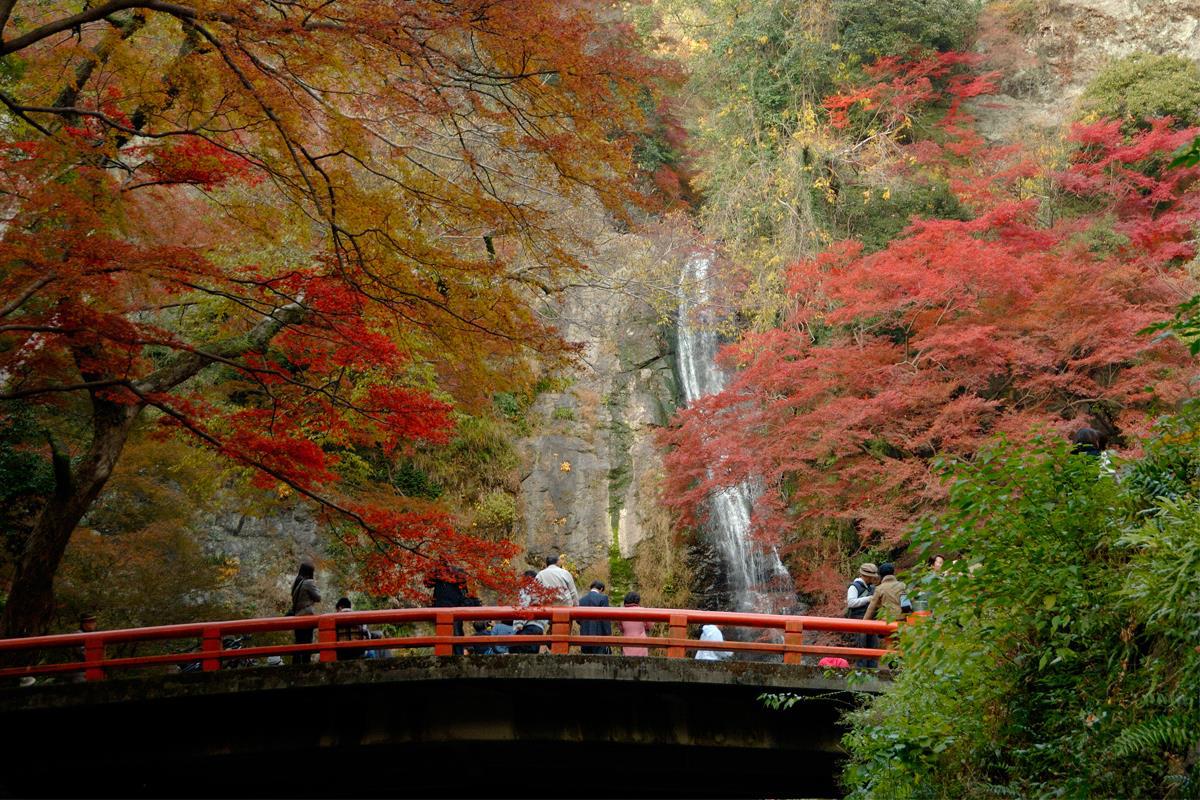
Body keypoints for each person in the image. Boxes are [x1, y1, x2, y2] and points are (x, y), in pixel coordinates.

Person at [425, 562, 470, 655]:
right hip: (445, 605)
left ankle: (457, 655)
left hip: (453, 605)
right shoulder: (437, 572)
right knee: (446, 633)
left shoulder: (457, 571)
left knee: (456, 631)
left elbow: (464, 584)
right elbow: (427, 583)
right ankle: (448, 655)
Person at [847, 563, 880, 666]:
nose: (873, 579)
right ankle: (861, 674)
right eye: (871, 577)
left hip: (871, 621)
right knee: (861, 648)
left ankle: (873, 672)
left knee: (873, 648)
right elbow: (851, 603)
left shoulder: (872, 588)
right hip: (859, 622)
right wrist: (868, 599)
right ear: (866, 576)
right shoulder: (854, 587)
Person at [289, 560, 321, 664]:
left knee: (299, 641)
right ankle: (306, 664)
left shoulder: (296, 582)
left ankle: (296, 664)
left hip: (297, 615)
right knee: (307, 641)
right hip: (307, 616)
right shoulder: (308, 582)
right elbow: (318, 597)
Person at [577, 580, 612, 655]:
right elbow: (605, 618)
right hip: (599, 636)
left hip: (584, 636)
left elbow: (578, 620)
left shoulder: (581, 600)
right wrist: (608, 634)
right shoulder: (603, 598)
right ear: (601, 589)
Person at [334, 597, 370, 661]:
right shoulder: (360, 617)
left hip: (341, 653)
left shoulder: (334, 619)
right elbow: (367, 636)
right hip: (358, 652)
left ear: (339, 608)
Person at [617, 591, 651, 657]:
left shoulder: (621, 612)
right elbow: (649, 626)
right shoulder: (644, 611)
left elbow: (620, 628)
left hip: (627, 641)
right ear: (638, 600)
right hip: (641, 641)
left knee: (627, 662)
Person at [71, 612, 98, 683]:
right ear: (84, 623)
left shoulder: (93, 634)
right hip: (81, 671)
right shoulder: (78, 635)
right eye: (90, 622)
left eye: (94, 621)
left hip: (92, 669)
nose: (94, 624)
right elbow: (84, 654)